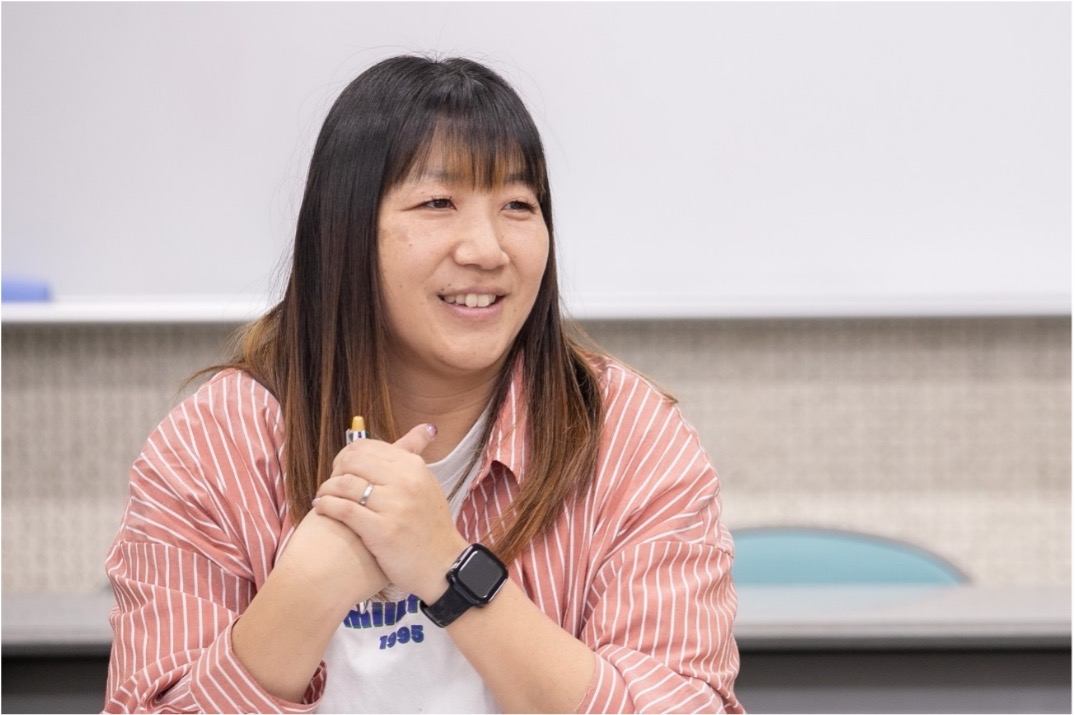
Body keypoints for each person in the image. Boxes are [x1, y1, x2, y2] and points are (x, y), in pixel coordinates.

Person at [103, 54, 743, 714]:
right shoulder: (214, 445)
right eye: (438, 203)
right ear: (345, 230)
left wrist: (448, 568)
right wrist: (307, 587)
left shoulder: (627, 435)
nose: (487, 249)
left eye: (517, 205)